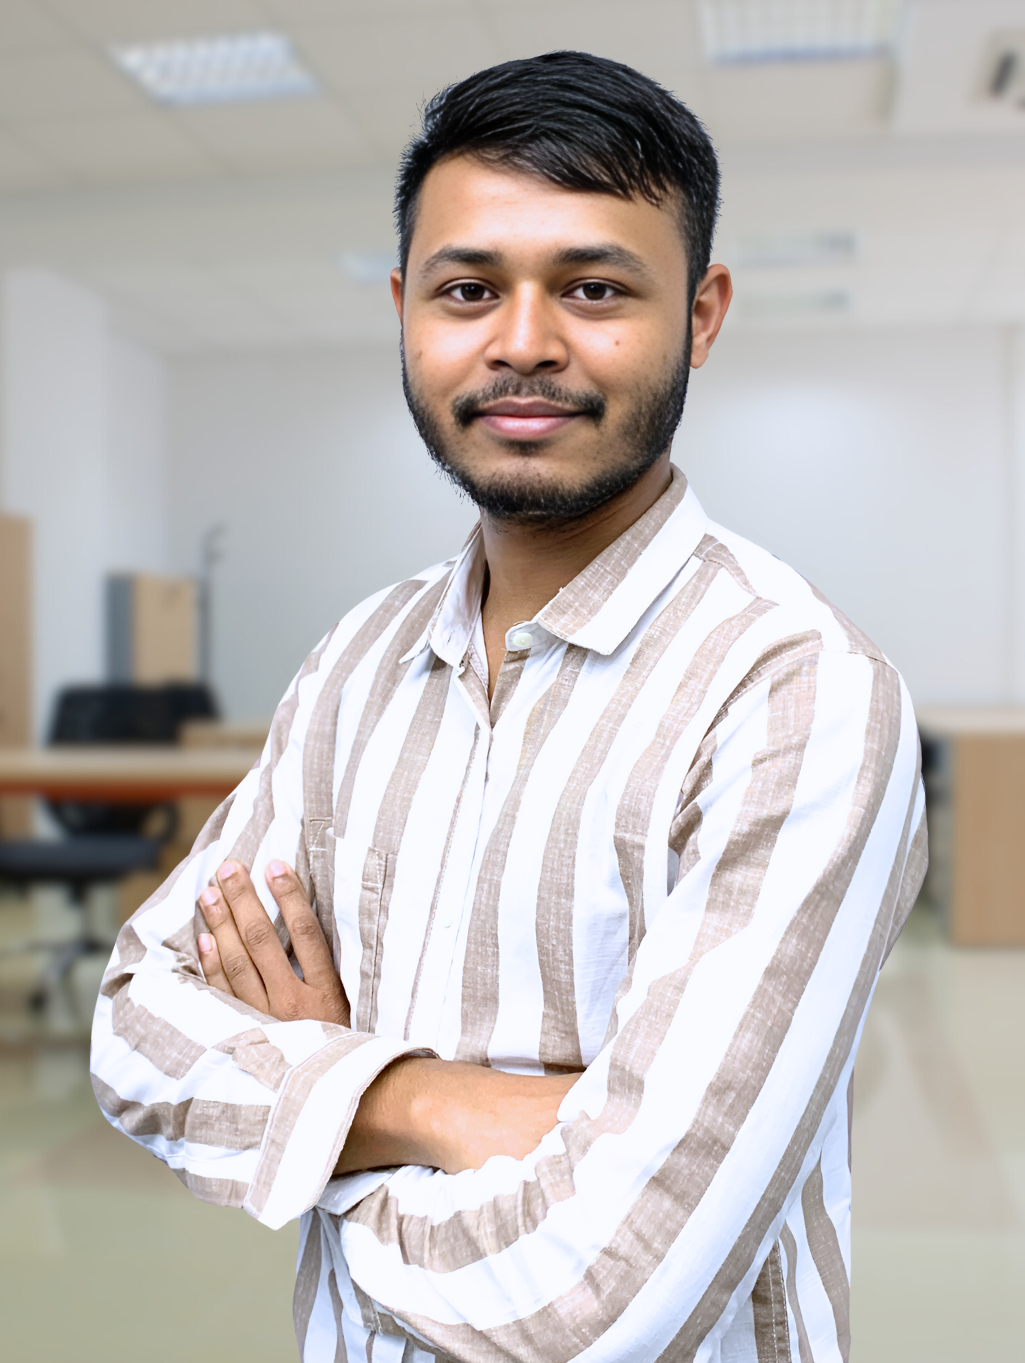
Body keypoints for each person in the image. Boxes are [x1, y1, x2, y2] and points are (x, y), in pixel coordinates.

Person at [91, 51, 925, 1363]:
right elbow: (138, 1027)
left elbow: (598, 1296)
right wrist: (439, 1104)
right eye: (469, 289)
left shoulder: (794, 691)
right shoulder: (355, 663)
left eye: (594, 289)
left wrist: (324, 1110)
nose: (523, 341)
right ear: (406, 311)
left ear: (701, 314)